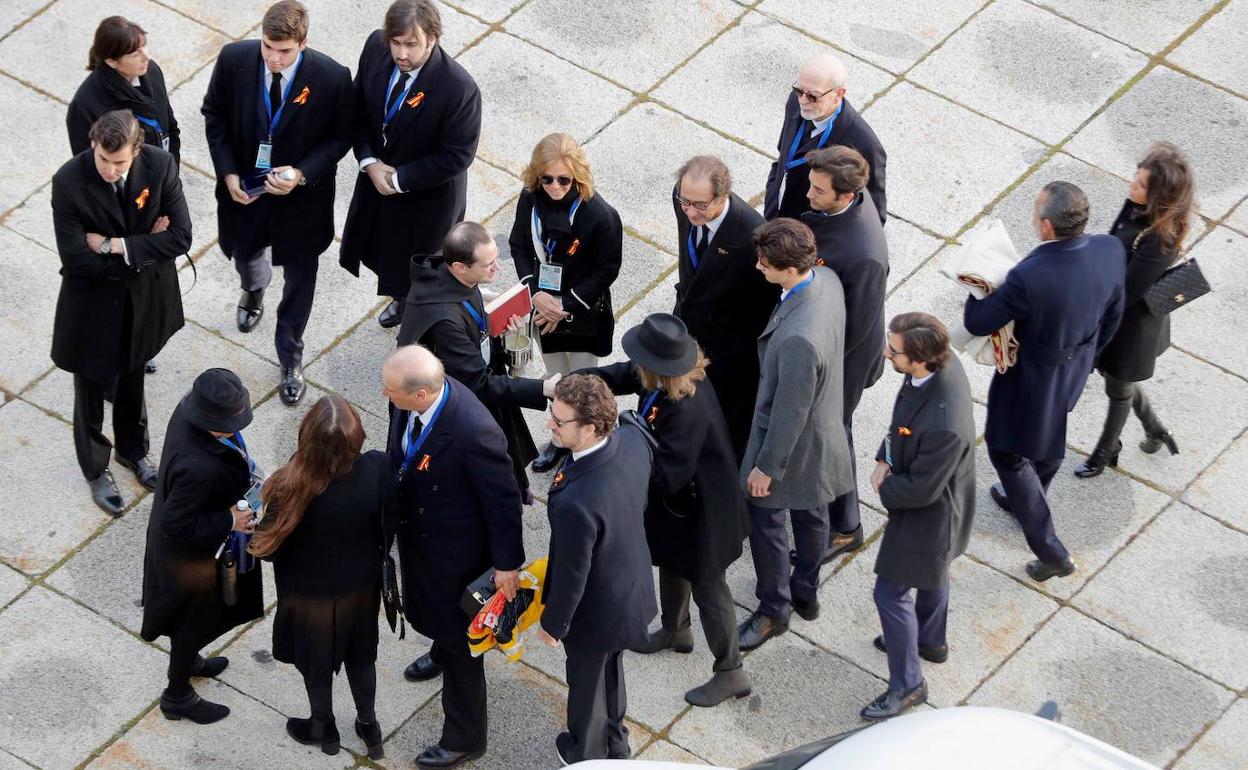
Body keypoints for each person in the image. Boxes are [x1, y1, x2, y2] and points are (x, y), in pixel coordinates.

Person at [581, 315, 751, 707]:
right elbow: (623, 375)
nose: (635, 366)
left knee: (710, 590)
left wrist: (620, 449)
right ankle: (675, 630)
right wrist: (577, 383)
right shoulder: (666, 380)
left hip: (705, 517)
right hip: (681, 512)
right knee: (673, 563)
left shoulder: (687, 411)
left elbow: (668, 475)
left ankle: (731, 671)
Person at [964, 182, 1125, 582]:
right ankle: (1025, 498)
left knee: (1006, 452)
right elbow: (1113, 313)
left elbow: (976, 322)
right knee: (1047, 439)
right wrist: (1087, 359)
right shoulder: (1110, 250)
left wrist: (973, 282)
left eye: (1036, 214)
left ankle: (1051, 551)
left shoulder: (1030, 275)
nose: (1034, 220)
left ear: (1048, 226)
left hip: (1033, 378)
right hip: (1075, 365)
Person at [201, 0, 353, 406]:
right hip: (245, 190)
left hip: (300, 202)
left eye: (284, 51)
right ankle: (253, 289)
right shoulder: (234, 60)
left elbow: (342, 137)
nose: (273, 57)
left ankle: (290, 356)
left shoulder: (332, 77)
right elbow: (213, 115)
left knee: (301, 281)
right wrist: (228, 172)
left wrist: (301, 174)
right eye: (268, 47)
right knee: (246, 253)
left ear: (303, 43)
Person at [382, 345, 524, 769]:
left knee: (466, 648)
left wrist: (506, 565)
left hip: (458, 555)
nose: (386, 396)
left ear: (422, 393)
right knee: (439, 619)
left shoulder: (473, 431)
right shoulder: (408, 403)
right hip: (424, 539)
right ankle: (442, 648)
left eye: (392, 390)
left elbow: (503, 503)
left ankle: (464, 737)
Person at [50, 110, 190, 515]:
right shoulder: (69, 181)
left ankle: (133, 452)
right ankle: (95, 468)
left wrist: (115, 245)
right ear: (93, 144)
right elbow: (77, 259)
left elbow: (181, 236)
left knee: (133, 376)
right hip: (92, 304)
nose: (111, 170)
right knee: (90, 388)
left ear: (136, 151)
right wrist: (147, 244)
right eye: (103, 160)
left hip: (143, 299)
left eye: (120, 163)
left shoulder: (160, 165)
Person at [248, 395, 390, 758]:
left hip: (307, 598)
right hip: (359, 592)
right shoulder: (376, 470)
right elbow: (388, 528)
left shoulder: (288, 488)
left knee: (316, 664)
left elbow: (269, 550)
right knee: (362, 658)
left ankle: (323, 729)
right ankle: (369, 728)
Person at [737, 219, 853, 652]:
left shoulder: (798, 339)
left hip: (792, 444)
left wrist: (766, 467)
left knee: (767, 522)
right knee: (812, 512)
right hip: (823, 435)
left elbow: (789, 411)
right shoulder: (827, 278)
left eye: (765, 263)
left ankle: (774, 610)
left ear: (788, 269)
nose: (758, 267)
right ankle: (806, 588)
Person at [340, 0, 482, 330]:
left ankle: (416, 311)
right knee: (384, 253)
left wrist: (399, 179)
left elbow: (457, 155)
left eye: (411, 45)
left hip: (426, 198)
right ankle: (402, 299)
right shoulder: (376, 48)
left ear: (433, 39)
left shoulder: (458, 89)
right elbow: (356, 107)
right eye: (396, 43)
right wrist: (369, 162)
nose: (401, 54)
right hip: (377, 180)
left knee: (422, 267)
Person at [536, 374, 656, 763]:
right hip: (631, 590)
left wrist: (554, 625)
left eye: (559, 421)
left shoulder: (578, 502)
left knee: (586, 685)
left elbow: (574, 573)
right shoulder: (631, 442)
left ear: (589, 428)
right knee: (611, 670)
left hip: (596, 610)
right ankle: (616, 740)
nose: (550, 425)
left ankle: (585, 754)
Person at [397, 221, 560, 504]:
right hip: (460, 405)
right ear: (460, 266)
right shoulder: (444, 322)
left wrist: (496, 319)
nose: (497, 269)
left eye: (496, 259)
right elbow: (479, 384)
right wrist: (542, 388)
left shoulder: (453, 277)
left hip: (477, 381)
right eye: (488, 265)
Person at [863, 313, 975, 720]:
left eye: (894, 352)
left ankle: (908, 684)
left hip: (931, 514)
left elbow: (922, 489)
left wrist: (883, 483)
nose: (886, 354)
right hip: (936, 499)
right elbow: (903, 421)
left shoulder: (944, 423)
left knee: (889, 594)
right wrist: (885, 454)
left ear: (921, 360)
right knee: (934, 574)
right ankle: (930, 640)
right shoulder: (936, 368)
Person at [140, 369, 263, 724]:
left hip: (194, 549)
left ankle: (190, 659)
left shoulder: (187, 410)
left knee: (196, 622)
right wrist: (230, 520)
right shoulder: (198, 467)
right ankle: (177, 695)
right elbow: (176, 524)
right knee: (191, 623)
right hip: (190, 560)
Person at [68, 16, 180, 377]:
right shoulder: (88, 104)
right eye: (135, 52)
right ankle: (109, 371)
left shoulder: (151, 73)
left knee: (147, 287)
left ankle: (138, 346)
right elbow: (94, 176)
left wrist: (167, 191)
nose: (146, 56)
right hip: (120, 214)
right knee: (115, 297)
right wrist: (135, 226)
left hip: (155, 196)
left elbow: (168, 127)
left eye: (145, 46)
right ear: (112, 61)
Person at [1077, 142, 1194, 477]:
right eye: (1136, 178)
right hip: (1117, 313)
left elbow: (1127, 293)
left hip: (1132, 327)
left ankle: (1106, 449)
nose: (1132, 186)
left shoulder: (1161, 240)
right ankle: (1156, 428)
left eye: (1141, 184)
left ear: (1158, 195)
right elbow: (1114, 245)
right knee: (1118, 381)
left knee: (1118, 388)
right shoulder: (1136, 209)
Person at [509, 132, 624, 473]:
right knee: (557, 377)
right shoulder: (530, 200)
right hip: (544, 306)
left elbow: (608, 268)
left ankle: (593, 444)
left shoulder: (600, 214)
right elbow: (518, 246)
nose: (555, 186)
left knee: (585, 381)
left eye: (564, 179)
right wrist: (537, 294)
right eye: (547, 179)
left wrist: (566, 306)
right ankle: (561, 440)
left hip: (582, 311)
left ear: (578, 176)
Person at [798, 145, 889, 565]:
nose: (809, 196)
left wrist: (820, 371)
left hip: (843, 358)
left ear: (846, 195)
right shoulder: (847, 202)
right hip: (831, 341)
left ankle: (846, 526)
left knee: (833, 434)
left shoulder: (863, 254)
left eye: (818, 192)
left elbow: (858, 326)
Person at [671, 155, 776, 457]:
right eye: (685, 202)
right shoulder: (685, 202)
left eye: (701, 205)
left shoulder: (751, 235)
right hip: (688, 325)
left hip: (728, 349)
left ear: (723, 195)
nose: (690, 211)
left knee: (721, 424)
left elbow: (762, 306)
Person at [763, 53, 886, 225]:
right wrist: (771, 199)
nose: (803, 101)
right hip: (774, 218)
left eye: (813, 96)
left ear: (838, 94)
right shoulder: (795, 102)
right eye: (798, 90)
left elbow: (873, 217)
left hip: (808, 238)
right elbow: (782, 156)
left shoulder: (863, 143)